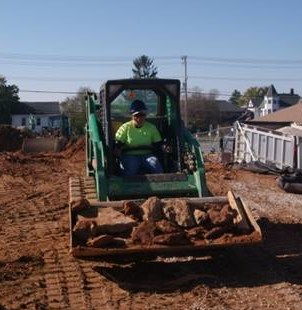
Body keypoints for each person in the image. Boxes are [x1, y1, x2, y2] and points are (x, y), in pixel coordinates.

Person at [114, 99, 164, 176]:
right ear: (132, 116)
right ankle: (129, 186)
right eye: (136, 115)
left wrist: (165, 147)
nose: (139, 118)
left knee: (155, 165)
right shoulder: (125, 128)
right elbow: (117, 144)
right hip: (129, 156)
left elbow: (158, 144)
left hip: (147, 155)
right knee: (132, 166)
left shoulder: (151, 128)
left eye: (142, 115)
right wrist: (117, 149)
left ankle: (162, 186)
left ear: (145, 115)